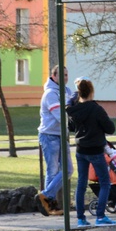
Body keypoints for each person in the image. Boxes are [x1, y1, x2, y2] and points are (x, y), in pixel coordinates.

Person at [66, 79, 116, 227]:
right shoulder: (96, 109)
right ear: (92, 92)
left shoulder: (73, 109)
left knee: (81, 183)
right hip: (95, 149)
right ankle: (100, 216)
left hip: (81, 149)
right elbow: (110, 128)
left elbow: (70, 127)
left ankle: (81, 218)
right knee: (105, 182)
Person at [35, 65, 73, 217]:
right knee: (53, 171)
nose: (64, 78)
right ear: (54, 76)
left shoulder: (66, 91)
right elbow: (61, 116)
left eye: (66, 74)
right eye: (61, 75)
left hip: (61, 135)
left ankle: (45, 197)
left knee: (68, 169)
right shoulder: (50, 94)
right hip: (49, 135)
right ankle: (49, 204)